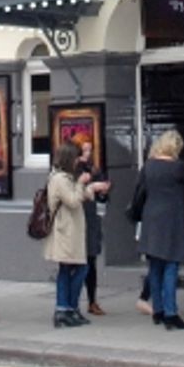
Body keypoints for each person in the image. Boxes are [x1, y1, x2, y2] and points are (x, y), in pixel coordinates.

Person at [134, 129, 184, 330]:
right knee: (171, 266)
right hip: (173, 219)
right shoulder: (178, 167)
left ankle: (158, 311)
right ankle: (171, 313)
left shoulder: (148, 166)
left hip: (152, 219)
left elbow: (139, 193)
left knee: (155, 267)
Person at [46, 141, 107, 327]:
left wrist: (92, 189)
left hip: (72, 230)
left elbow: (77, 195)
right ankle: (65, 309)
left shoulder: (65, 177)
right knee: (76, 269)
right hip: (66, 231)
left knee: (71, 269)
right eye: (76, 157)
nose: (78, 161)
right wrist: (81, 184)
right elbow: (72, 200)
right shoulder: (59, 179)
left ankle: (69, 309)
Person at [74, 136, 111, 315]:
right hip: (76, 217)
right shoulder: (72, 169)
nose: (87, 154)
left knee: (91, 259)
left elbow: (102, 196)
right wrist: (89, 187)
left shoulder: (93, 168)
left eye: (90, 150)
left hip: (90, 216)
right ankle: (71, 303)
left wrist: (103, 190)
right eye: (84, 150)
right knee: (75, 263)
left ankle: (92, 300)